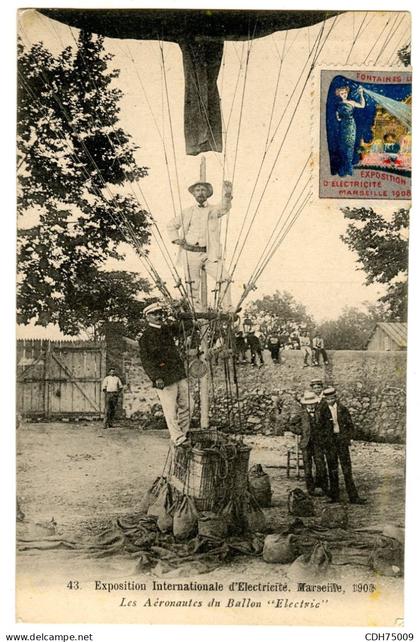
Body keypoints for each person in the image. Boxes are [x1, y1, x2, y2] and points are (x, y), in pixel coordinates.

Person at [167, 180, 233, 310]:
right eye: (197, 190)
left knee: (224, 278)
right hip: (190, 252)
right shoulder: (187, 212)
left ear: (208, 193)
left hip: (209, 253)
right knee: (192, 285)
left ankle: (227, 308)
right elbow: (171, 226)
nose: (200, 193)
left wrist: (227, 194)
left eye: (203, 190)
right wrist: (176, 240)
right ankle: (197, 314)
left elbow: (225, 207)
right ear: (193, 194)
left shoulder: (214, 210)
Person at [138, 302, 193, 447]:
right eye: (154, 314)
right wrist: (156, 377)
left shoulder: (167, 329)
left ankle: (184, 433)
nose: (158, 316)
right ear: (147, 317)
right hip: (163, 377)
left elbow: (186, 325)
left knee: (188, 405)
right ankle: (177, 438)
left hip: (178, 373)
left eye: (160, 314)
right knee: (170, 410)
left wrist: (181, 310)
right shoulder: (145, 337)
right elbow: (146, 361)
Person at [317, 387, 366, 504]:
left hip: (341, 441)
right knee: (332, 469)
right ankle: (335, 496)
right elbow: (320, 428)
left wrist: (348, 437)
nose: (331, 400)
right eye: (328, 399)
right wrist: (325, 441)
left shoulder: (343, 409)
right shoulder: (322, 411)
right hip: (330, 443)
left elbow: (350, 425)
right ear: (325, 399)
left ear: (336, 397)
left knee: (347, 470)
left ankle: (353, 497)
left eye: (333, 398)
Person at [290, 391, 329, 496]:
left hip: (318, 444)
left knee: (320, 465)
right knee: (307, 467)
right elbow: (291, 425)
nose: (311, 406)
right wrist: (301, 431)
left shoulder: (320, 413)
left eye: (313, 404)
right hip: (306, 444)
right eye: (309, 404)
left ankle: (324, 488)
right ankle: (310, 489)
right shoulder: (301, 414)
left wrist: (323, 436)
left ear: (315, 404)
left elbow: (327, 425)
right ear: (305, 405)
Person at [335, 85, 365, 177]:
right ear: (339, 94)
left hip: (351, 125)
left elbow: (362, 105)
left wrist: (361, 94)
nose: (344, 95)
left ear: (347, 93)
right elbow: (338, 118)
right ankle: (344, 168)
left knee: (350, 145)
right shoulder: (338, 105)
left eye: (345, 93)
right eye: (342, 93)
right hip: (342, 126)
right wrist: (339, 117)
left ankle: (349, 168)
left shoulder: (351, 102)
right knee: (342, 146)